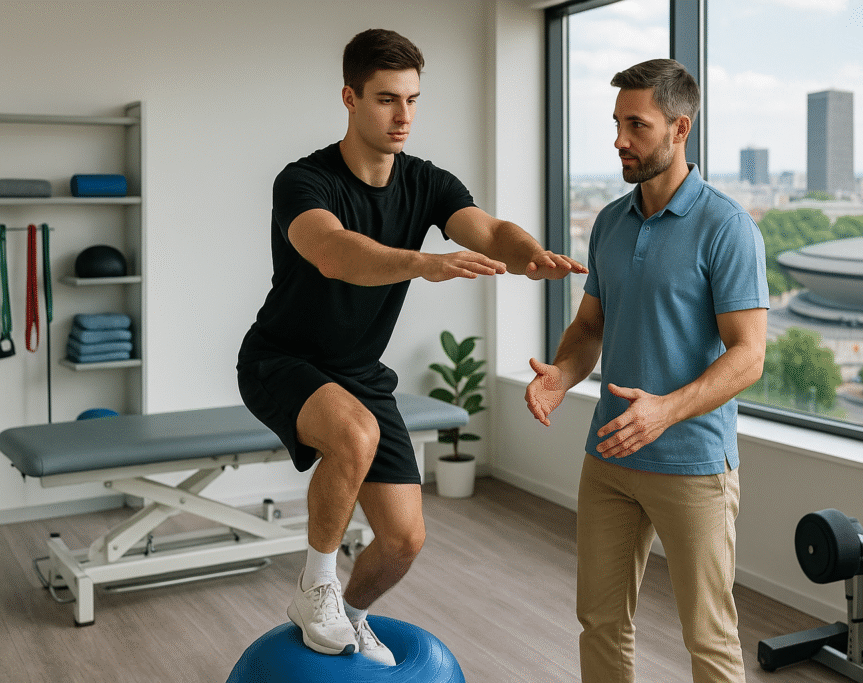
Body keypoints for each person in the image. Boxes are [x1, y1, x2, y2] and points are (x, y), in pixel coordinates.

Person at [237, 28, 586, 664]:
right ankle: (314, 588)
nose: (404, 117)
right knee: (354, 434)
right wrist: (424, 263)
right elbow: (333, 253)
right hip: (280, 359)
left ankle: (352, 611)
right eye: (386, 100)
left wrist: (529, 253)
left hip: (359, 371)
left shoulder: (427, 182)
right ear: (349, 97)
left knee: (403, 540)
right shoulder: (304, 181)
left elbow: (489, 230)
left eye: (413, 100)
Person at [525, 58, 769, 683]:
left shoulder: (727, 227)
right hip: (608, 456)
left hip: (691, 463)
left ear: (679, 129)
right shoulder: (609, 221)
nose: (619, 140)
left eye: (636, 124)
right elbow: (588, 330)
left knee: (708, 638)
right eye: (616, 123)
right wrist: (560, 374)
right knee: (600, 622)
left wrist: (663, 410)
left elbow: (748, 356)